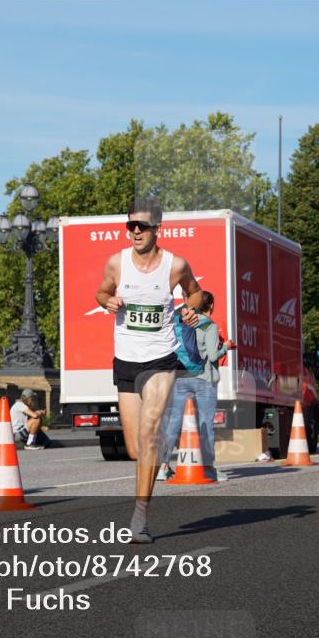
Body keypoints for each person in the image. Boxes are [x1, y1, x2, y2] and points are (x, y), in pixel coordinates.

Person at [96, 198, 202, 544]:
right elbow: (101, 290)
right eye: (131, 226)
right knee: (135, 449)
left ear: (158, 228)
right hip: (126, 359)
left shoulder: (175, 265)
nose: (136, 232)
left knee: (149, 431)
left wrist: (190, 309)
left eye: (142, 226)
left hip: (161, 358)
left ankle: (139, 517)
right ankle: (156, 451)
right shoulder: (117, 263)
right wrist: (106, 301)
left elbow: (195, 292)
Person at [158, 290, 235, 482]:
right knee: (205, 424)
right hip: (204, 380)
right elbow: (213, 355)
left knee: (174, 422)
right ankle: (208, 467)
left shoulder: (177, 322)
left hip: (180, 378)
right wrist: (225, 347)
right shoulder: (208, 325)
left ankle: (163, 466)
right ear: (211, 306)